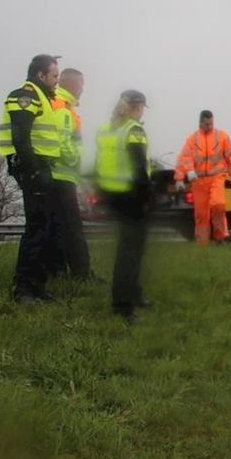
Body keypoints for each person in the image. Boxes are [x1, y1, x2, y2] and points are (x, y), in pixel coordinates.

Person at [0, 54, 62, 303]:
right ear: (40, 75)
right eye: (54, 75)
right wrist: (33, 170)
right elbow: (21, 137)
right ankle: (23, 288)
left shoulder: (43, 98)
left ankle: (37, 286)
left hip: (43, 168)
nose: (57, 80)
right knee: (36, 227)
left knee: (44, 227)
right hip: (32, 168)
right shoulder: (25, 95)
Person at [95, 90, 152, 323]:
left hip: (112, 195)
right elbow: (139, 168)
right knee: (130, 253)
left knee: (128, 248)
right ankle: (123, 305)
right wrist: (148, 197)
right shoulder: (134, 129)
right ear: (137, 107)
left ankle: (134, 294)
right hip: (132, 198)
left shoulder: (106, 129)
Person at [46, 67, 94, 279]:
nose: (83, 89)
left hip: (52, 175)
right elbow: (64, 141)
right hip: (62, 175)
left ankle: (56, 269)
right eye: (82, 84)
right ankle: (82, 273)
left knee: (56, 227)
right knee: (74, 229)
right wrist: (74, 161)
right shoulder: (64, 107)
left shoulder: (54, 102)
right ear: (73, 84)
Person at [174, 110, 231, 244]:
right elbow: (183, 158)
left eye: (211, 124)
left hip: (216, 177)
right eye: (206, 124)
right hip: (198, 181)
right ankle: (202, 243)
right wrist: (180, 178)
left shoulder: (222, 136)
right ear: (200, 123)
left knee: (219, 204)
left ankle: (220, 237)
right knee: (201, 215)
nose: (209, 126)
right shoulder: (192, 139)